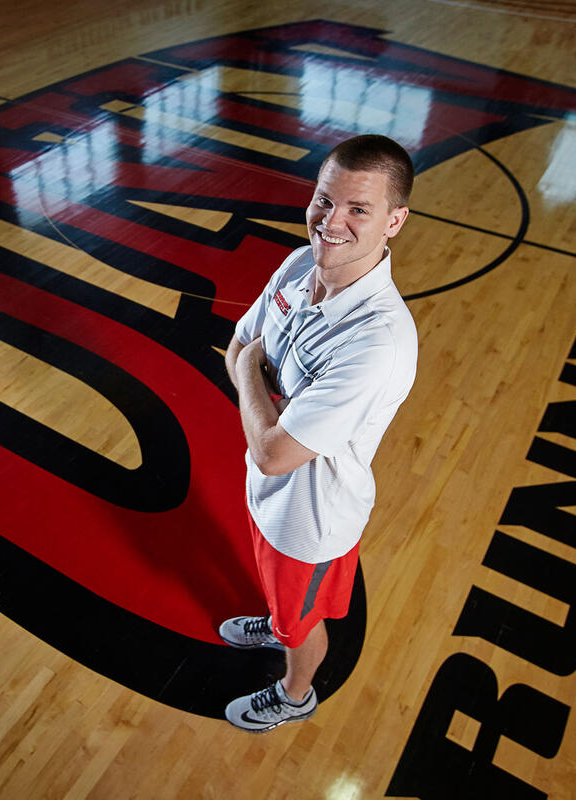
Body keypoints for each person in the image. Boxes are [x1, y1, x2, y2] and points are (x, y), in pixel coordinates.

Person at [220, 135, 419, 732]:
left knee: (301, 622)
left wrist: (253, 375)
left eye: (359, 209)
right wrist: (254, 385)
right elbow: (235, 346)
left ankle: (294, 691)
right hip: (269, 495)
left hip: (309, 522)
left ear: (395, 221)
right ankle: (278, 620)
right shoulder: (302, 261)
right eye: (324, 201)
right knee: (281, 600)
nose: (331, 223)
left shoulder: (377, 342)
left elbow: (276, 450)